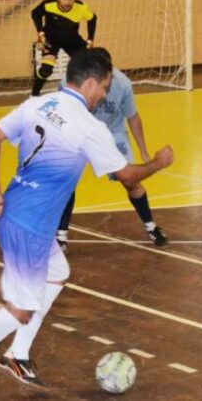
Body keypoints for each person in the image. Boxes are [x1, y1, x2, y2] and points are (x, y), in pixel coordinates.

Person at [0, 48, 174, 401]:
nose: (104, 94)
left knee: (56, 273)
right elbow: (127, 174)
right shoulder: (89, 128)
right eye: (104, 86)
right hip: (29, 226)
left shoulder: (39, 104)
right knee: (20, 310)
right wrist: (160, 162)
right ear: (89, 83)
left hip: (18, 211)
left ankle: (16, 354)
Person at [56, 49, 168, 252]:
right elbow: (62, 110)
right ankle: (61, 236)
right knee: (67, 180)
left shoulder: (123, 84)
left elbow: (133, 116)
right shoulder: (70, 81)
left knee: (130, 180)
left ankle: (151, 226)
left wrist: (143, 150)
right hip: (81, 131)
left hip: (111, 132)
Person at [30, 0, 97, 96]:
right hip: (51, 40)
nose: (67, 2)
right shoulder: (48, 5)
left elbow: (93, 19)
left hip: (72, 40)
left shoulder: (81, 7)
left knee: (89, 66)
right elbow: (35, 13)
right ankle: (34, 95)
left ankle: (86, 96)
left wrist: (90, 39)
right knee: (46, 70)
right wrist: (40, 32)